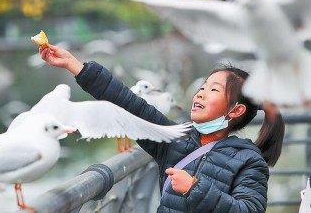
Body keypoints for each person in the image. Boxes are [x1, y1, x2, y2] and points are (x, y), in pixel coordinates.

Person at [39, 44, 285, 213]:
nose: (200, 93)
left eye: (213, 90)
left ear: (236, 111)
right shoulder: (175, 140)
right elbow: (129, 103)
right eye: (203, 86)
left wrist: (194, 189)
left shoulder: (250, 161)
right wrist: (75, 66)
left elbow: (250, 209)